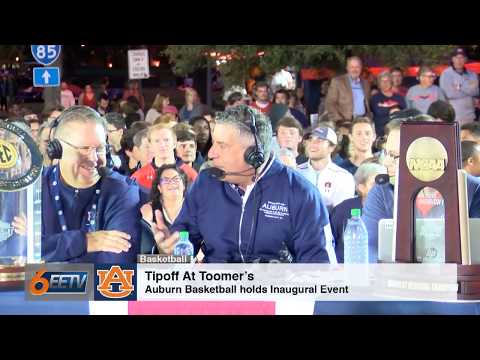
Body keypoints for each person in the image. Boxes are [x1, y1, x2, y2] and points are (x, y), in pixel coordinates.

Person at [151, 104, 335, 263]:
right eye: (213, 143)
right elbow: (182, 244)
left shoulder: (301, 193)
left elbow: (318, 268)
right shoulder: (206, 182)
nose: (211, 153)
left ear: (254, 153)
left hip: (275, 296)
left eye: (222, 145)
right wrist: (168, 250)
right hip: (215, 294)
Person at [362, 117, 480, 264]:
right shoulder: (382, 190)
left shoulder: (473, 189)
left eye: (394, 155)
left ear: (427, 157)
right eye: (386, 153)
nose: (386, 162)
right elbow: (369, 249)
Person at [41, 106, 141, 263]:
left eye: (100, 148)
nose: (94, 158)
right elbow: (14, 251)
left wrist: (50, 251)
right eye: (85, 148)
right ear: (58, 149)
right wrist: (86, 241)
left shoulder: (122, 191)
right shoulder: (33, 189)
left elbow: (116, 265)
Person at [330, 161, 387, 262]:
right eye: (374, 184)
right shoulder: (343, 209)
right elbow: (330, 242)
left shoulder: (391, 209)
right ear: (361, 187)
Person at [297, 126, 355, 213]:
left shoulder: (343, 177)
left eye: (319, 140)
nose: (313, 144)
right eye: (310, 140)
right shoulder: (296, 172)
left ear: (332, 147)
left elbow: (341, 215)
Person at [131, 124, 197, 190]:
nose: (162, 145)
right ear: (150, 146)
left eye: (166, 140)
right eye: (157, 141)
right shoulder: (138, 177)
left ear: (174, 143)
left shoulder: (191, 175)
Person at [140, 164, 187, 234]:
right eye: (166, 180)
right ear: (159, 188)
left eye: (176, 179)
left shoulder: (195, 209)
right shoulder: (150, 211)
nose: (172, 182)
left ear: (183, 185)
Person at [326, 56, 372, 123]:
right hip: (345, 122)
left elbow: (367, 103)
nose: (354, 70)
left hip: (362, 121)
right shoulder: (337, 82)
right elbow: (330, 103)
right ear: (347, 68)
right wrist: (339, 120)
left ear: (361, 68)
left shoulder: (365, 83)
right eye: (352, 67)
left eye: (357, 67)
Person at [440, 47, 479, 125]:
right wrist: (469, 90)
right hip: (453, 115)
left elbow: (476, 92)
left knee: (469, 137)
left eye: (462, 58)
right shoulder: (446, 74)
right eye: (456, 57)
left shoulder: (472, 74)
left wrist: (459, 87)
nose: (459, 60)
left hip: (470, 115)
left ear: (465, 59)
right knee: (455, 136)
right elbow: (449, 94)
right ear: (452, 59)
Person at [370, 71, 407, 137]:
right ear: (379, 84)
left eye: (387, 81)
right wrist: (394, 111)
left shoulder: (399, 97)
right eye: (382, 81)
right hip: (380, 133)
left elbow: (404, 115)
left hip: (397, 132)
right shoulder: (374, 98)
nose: (385, 83)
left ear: (391, 82)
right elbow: (377, 112)